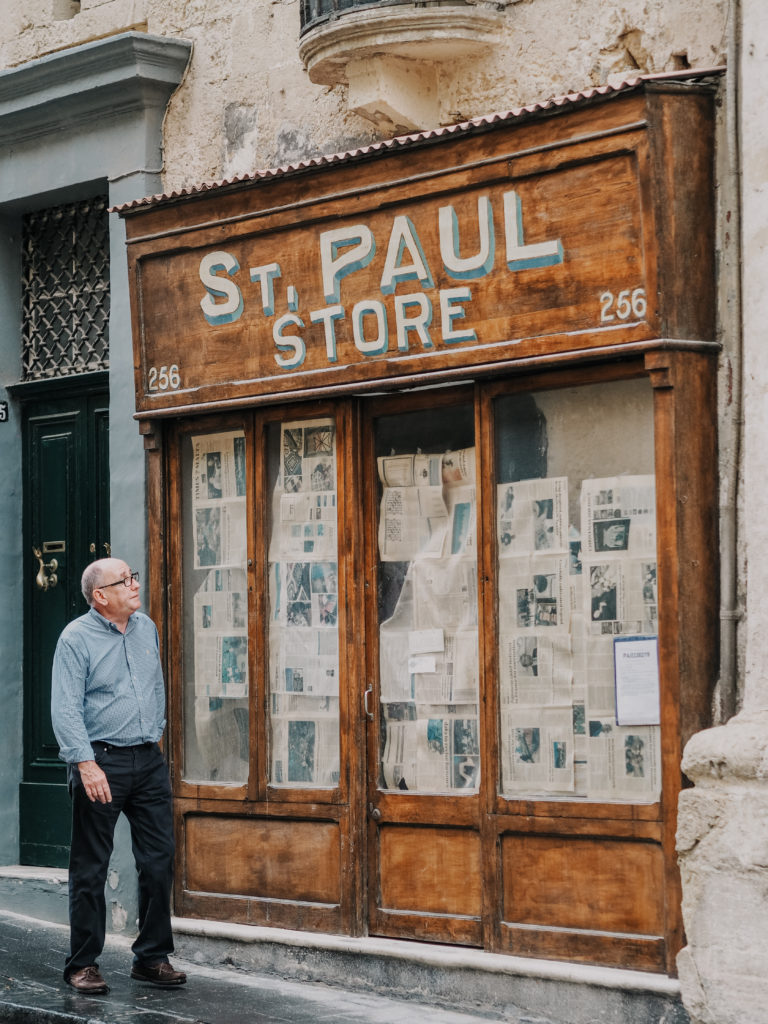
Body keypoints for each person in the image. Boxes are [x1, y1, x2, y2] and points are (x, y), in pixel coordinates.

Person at [51, 557, 186, 995]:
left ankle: (151, 957)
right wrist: (85, 763)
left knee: (159, 860)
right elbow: (66, 707)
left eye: (134, 576)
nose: (134, 584)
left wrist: (156, 733)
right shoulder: (75, 638)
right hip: (101, 761)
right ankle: (83, 963)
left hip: (147, 759)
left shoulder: (146, 627)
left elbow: (155, 686)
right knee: (91, 866)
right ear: (100, 596)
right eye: (123, 580)